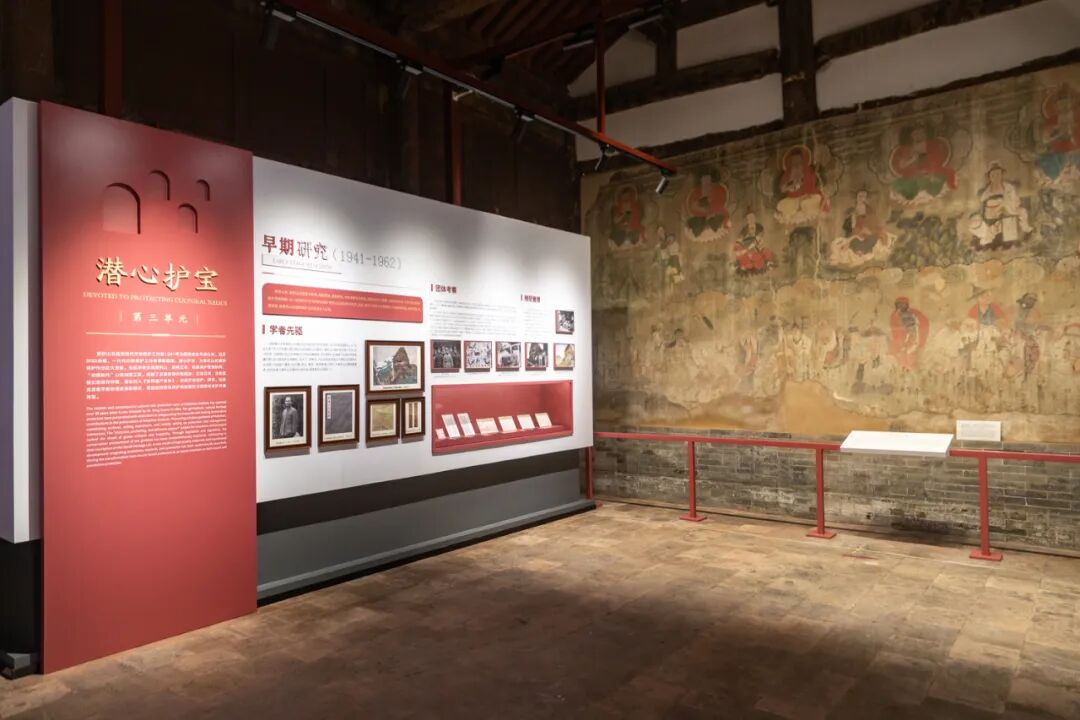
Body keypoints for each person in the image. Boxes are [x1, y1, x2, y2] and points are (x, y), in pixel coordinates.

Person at [889, 124, 957, 202]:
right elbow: (901, 166)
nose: (918, 136)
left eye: (921, 133)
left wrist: (930, 172)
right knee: (903, 187)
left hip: (930, 175)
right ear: (911, 136)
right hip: (913, 177)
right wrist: (912, 159)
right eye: (915, 134)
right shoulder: (906, 150)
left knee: (942, 179)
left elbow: (937, 161)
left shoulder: (932, 145)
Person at [889, 297, 929, 369]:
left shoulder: (914, 312)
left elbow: (924, 322)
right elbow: (894, 330)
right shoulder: (894, 315)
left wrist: (919, 337)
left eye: (903, 305)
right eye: (899, 305)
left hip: (914, 336)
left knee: (913, 354)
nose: (901, 307)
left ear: (907, 305)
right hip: (902, 339)